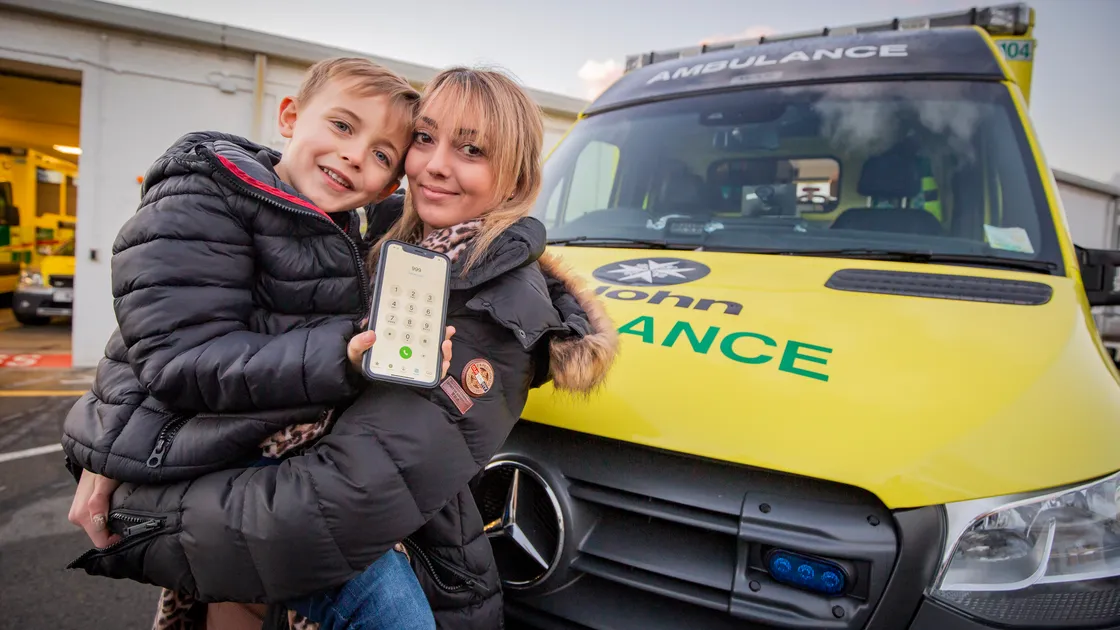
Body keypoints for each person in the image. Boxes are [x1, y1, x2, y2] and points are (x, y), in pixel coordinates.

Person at [64, 66, 620, 630]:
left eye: (471, 150)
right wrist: (120, 442)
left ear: (516, 176)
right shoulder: (366, 234)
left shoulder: (501, 310)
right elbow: (179, 330)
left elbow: (329, 510)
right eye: (424, 138)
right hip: (254, 541)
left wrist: (140, 511)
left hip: (361, 565)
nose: (434, 165)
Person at [61, 57, 456, 628]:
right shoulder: (208, 192)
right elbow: (174, 356)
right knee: (385, 606)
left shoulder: (339, 227)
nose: (353, 155)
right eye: (343, 127)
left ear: (389, 185)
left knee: (247, 600)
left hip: (243, 453)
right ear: (290, 117)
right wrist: (343, 356)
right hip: (200, 455)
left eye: (380, 155)